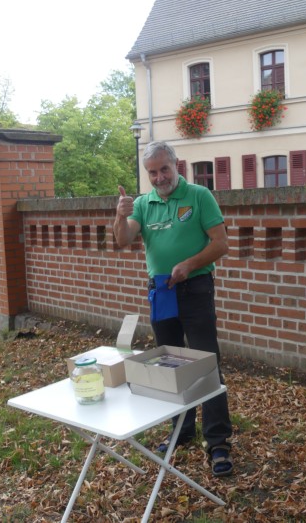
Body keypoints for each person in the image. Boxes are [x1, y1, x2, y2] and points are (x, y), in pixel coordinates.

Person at [113, 141, 233, 477]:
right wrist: (119, 214)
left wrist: (189, 265)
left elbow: (221, 243)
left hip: (195, 288)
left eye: (164, 169)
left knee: (206, 365)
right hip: (162, 292)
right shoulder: (143, 204)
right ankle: (182, 430)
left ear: (176, 166)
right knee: (170, 363)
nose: (158, 177)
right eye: (152, 172)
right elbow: (123, 239)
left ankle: (219, 441)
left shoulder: (199, 196)